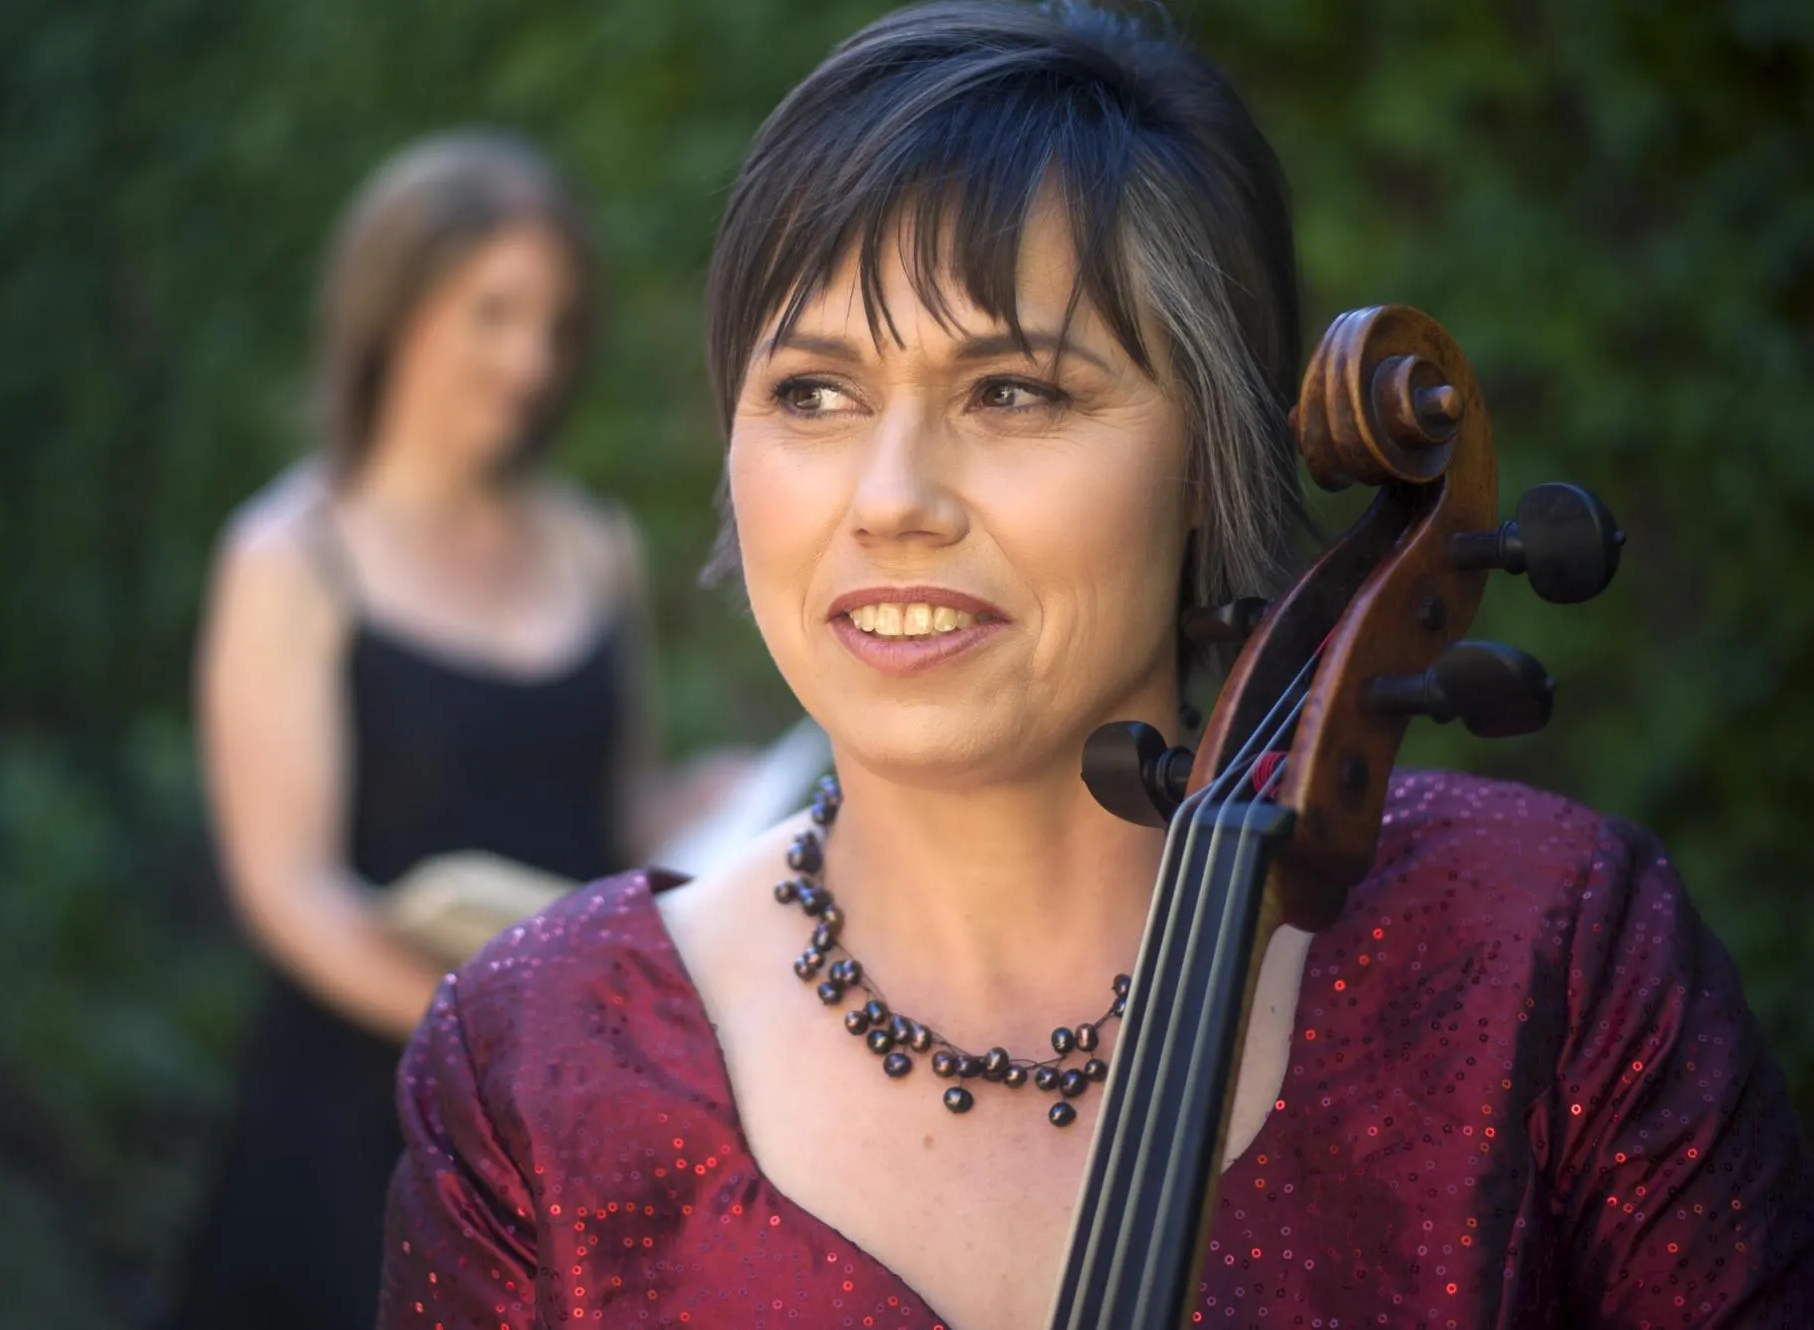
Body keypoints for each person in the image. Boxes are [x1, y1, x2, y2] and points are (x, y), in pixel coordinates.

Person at [376, 6, 1814, 1328]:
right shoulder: (534, 1062)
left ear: (1207, 456)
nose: (891, 498)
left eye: (1014, 391)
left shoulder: (1544, 954)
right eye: (812, 392)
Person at [174, 130, 731, 1330]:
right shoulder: (289, 557)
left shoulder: (595, 543)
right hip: (360, 1127)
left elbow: (610, 808)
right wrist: (493, 1052)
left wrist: (715, 802)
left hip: (576, 1117)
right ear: (393, 309)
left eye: (556, 323)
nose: (531, 358)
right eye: (493, 312)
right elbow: (288, 888)